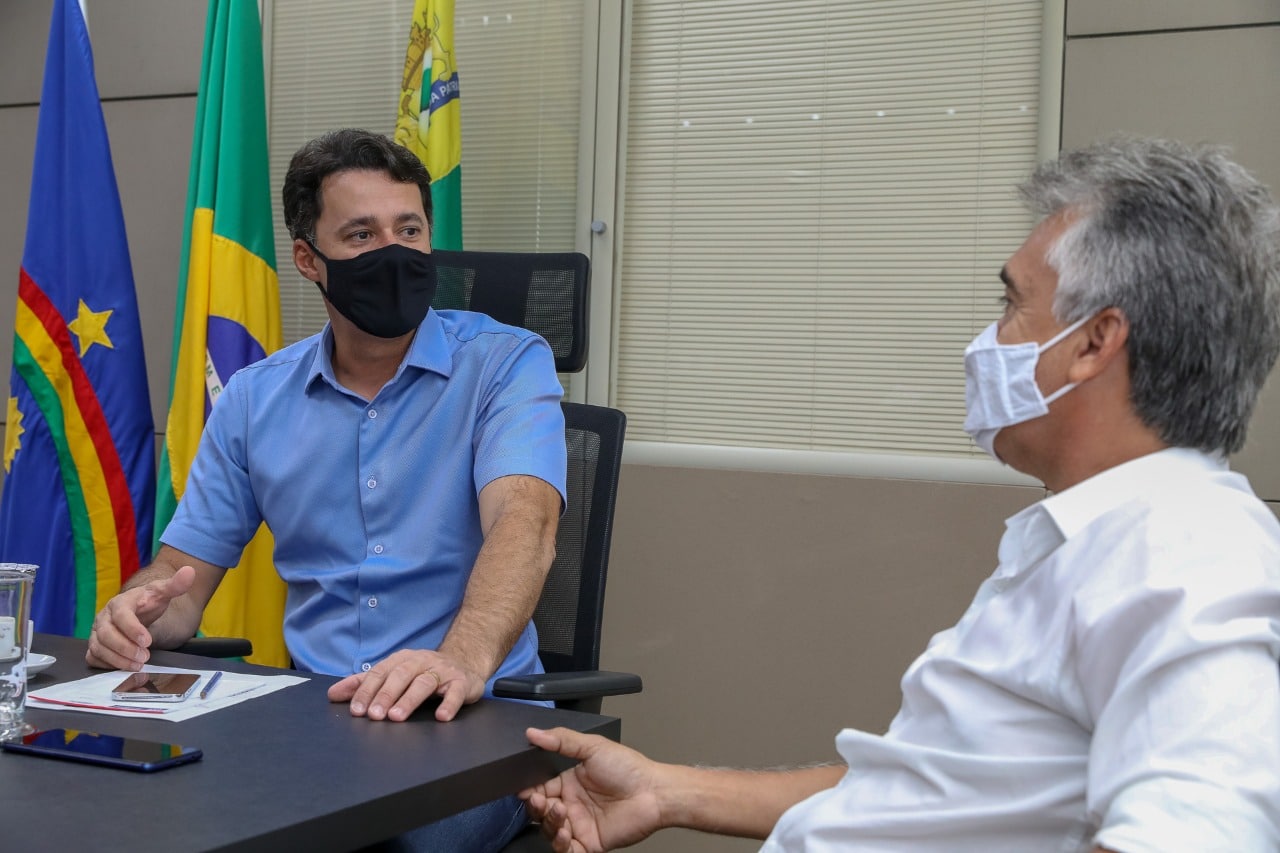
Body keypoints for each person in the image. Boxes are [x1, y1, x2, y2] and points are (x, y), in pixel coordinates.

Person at [520, 137, 1280, 852]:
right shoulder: (1097, 536)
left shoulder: (1186, 553)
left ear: (1093, 343)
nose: (988, 340)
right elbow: (929, 791)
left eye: (1013, 305)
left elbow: (1203, 832)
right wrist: (665, 790)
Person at [86, 129, 566, 852]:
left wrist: (460, 660)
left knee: (386, 839)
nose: (393, 252)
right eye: (362, 234)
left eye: (409, 230)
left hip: (473, 723)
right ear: (309, 259)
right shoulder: (253, 398)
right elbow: (181, 580)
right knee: (158, 813)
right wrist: (137, 613)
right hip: (318, 723)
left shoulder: (505, 364)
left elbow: (524, 525)